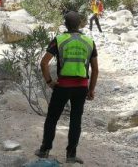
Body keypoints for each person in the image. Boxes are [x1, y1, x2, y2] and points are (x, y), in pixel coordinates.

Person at [35, 11, 99, 164]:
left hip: (62, 86)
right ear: (80, 24)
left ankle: (44, 150)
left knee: (52, 118)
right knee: (75, 120)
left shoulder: (59, 40)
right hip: (81, 88)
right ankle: (71, 155)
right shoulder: (89, 42)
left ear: (65, 24)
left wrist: (49, 81)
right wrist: (91, 90)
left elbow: (44, 63)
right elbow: (95, 69)